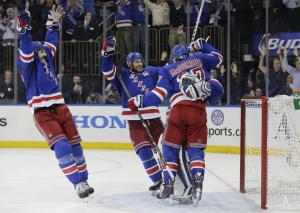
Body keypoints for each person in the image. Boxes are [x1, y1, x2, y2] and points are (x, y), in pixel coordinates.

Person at [127, 39, 224, 204]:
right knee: (196, 152)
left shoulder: (168, 69)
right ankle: (198, 181)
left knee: (169, 149)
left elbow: (157, 95)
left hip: (178, 111)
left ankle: (168, 185)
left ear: (173, 58)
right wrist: (202, 45)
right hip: (199, 111)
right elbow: (218, 57)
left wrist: (138, 101)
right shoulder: (200, 59)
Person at [17, 6, 94, 199]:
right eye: (40, 50)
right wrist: (24, 31)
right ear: (35, 53)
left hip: (60, 107)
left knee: (76, 147)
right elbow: (26, 48)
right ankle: (77, 184)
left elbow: (52, 41)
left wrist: (54, 23)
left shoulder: (47, 58)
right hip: (42, 112)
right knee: (62, 147)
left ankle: (84, 179)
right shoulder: (27, 65)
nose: (45, 51)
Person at [101, 36, 164, 193]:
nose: (140, 64)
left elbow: (168, 70)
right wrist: (107, 53)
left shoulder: (151, 71)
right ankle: (158, 179)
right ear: (130, 64)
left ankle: (171, 179)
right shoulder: (122, 75)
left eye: (141, 61)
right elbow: (107, 71)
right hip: (134, 121)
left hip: (154, 119)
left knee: (165, 150)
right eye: (136, 62)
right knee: (144, 152)